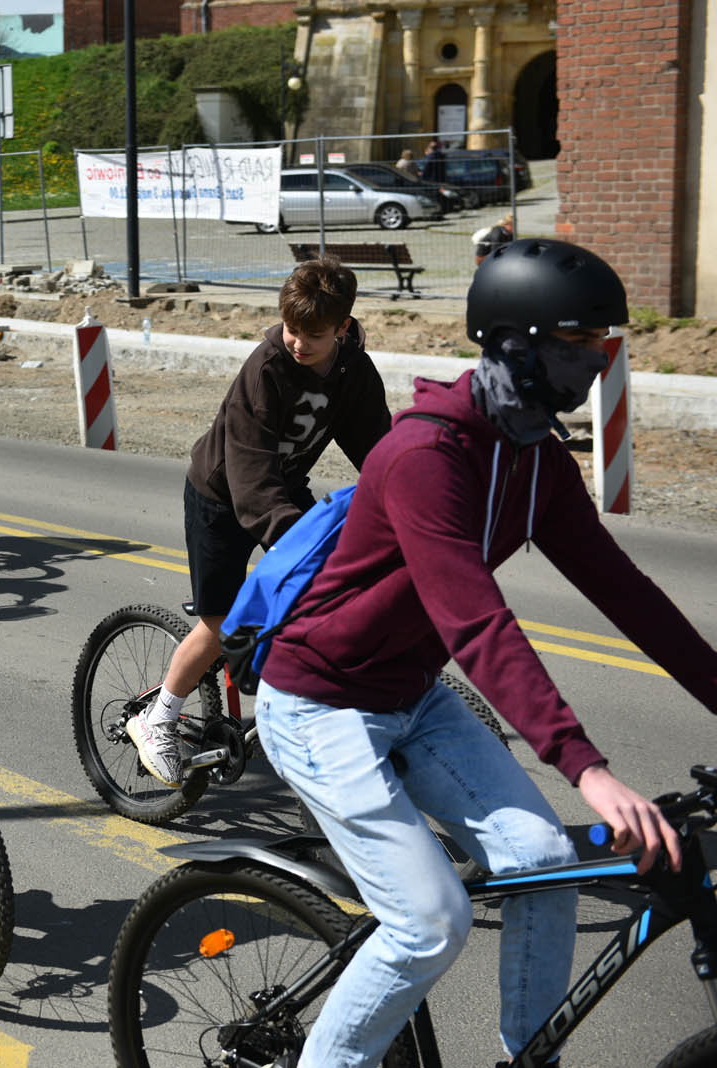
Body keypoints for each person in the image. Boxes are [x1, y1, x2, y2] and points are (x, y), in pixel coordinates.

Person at [253, 239, 717, 1068]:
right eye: (578, 343)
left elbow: (627, 592)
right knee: (431, 920)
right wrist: (588, 770)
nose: (596, 361)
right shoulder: (427, 457)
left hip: (410, 697)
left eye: (603, 345)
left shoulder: (532, 454)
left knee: (543, 865)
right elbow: (478, 624)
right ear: (516, 342)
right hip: (320, 702)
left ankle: (526, 1057)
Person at [126, 256, 390, 787]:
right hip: (222, 495)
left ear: (342, 327)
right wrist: (302, 544)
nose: (298, 343)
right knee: (223, 622)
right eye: (292, 330)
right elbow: (250, 478)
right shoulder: (266, 369)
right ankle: (158, 718)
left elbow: (379, 448)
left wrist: (409, 500)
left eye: (313, 334)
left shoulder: (353, 371)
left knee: (329, 597)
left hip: (282, 488)